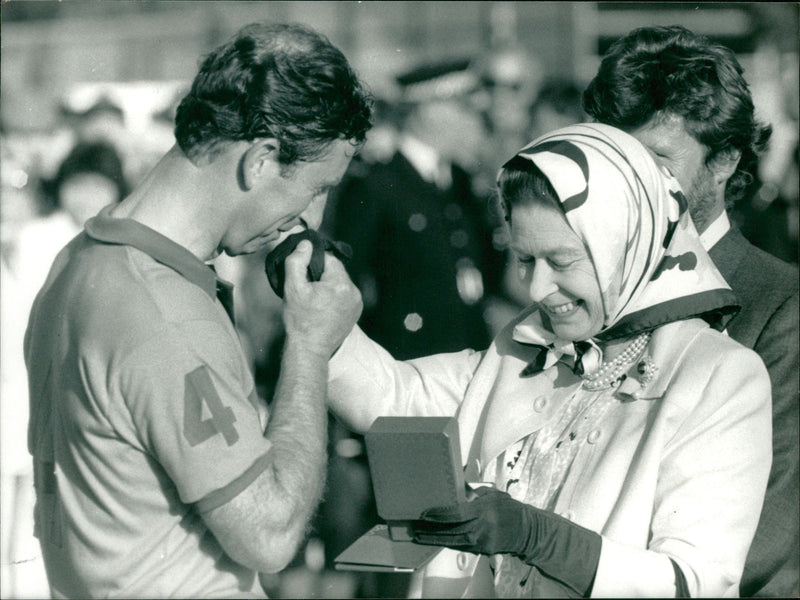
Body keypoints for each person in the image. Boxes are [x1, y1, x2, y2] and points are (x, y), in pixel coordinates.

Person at [326, 123, 772, 597]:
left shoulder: (720, 377)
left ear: (627, 246)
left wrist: (538, 537)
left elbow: (695, 583)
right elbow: (394, 393)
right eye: (524, 260)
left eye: (561, 262)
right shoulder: (522, 349)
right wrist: (315, 297)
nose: (536, 290)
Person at [24, 21, 371, 598]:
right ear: (261, 158)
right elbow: (271, 533)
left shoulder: (81, 259)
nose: (310, 219)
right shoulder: (164, 315)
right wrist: (309, 345)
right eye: (313, 189)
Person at [582, 25, 800, 597]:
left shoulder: (781, 307)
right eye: (614, 155)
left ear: (725, 160)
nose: (627, 182)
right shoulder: (581, 293)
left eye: (655, 159)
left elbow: (762, 535)